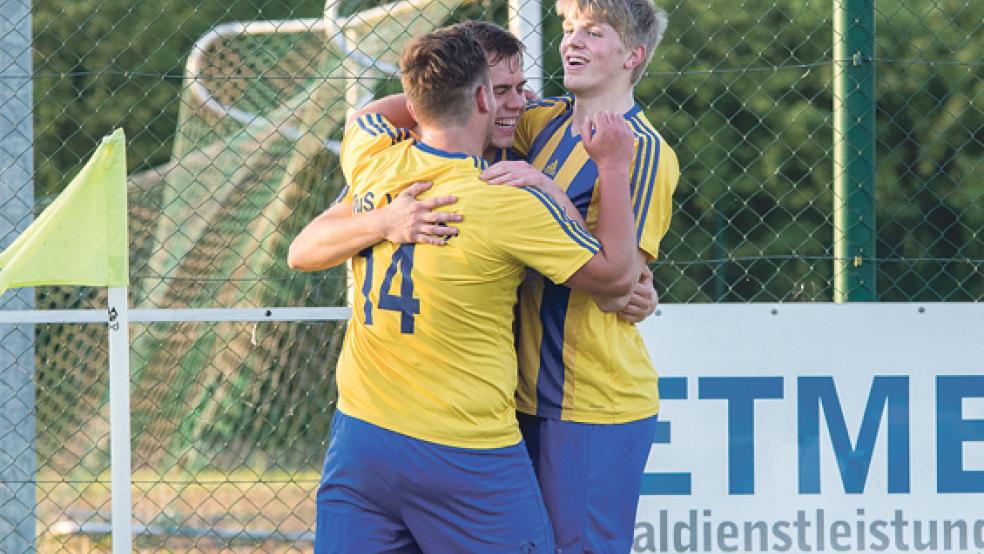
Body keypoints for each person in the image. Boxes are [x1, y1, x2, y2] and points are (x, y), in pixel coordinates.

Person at [288, 25, 640, 553]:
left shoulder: (373, 158)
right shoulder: (505, 200)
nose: (518, 102)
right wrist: (613, 165)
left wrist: (385, 216)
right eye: (499, 90)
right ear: (479, 96)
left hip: (362, 438)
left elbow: (367, 121)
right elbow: (616, 277)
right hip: (464, 451)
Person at [480, 0, 681, 552]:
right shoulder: (537, 122)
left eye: (593, 33)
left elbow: (619, 284)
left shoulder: (644, 153)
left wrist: (544, 190)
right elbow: (449, 109)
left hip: (592, 399)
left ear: (632, 56)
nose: (571, 42)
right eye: (569, 30)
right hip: (516, 395)